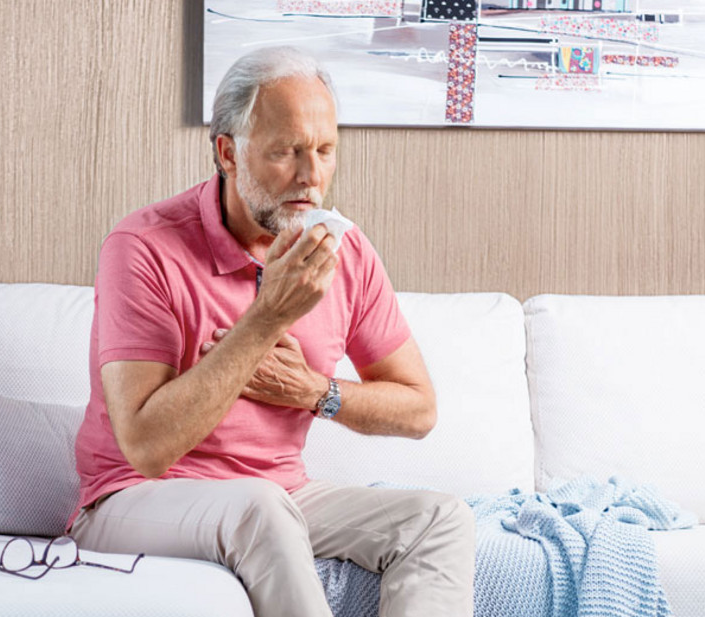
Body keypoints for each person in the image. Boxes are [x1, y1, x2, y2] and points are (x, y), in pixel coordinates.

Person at [68, 46, 475, 617]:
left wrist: (315, 391)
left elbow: (418, 410)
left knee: (439, 518)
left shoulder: (344, 252)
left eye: (325, 151)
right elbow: (146, 447)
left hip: (279, 496)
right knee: (261, 507)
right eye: (286, 152)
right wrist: (267, 318)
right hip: (133, 498)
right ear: (229, 153)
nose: (311, 177)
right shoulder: (143, 247)